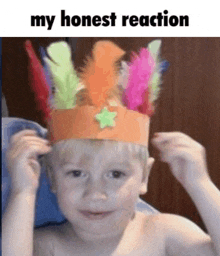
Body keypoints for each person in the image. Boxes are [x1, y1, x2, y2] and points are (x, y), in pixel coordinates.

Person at [2, 40, 220, 256]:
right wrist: (23, 192)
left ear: (144, 177)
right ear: (52, 176)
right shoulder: (46, 244)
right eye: (76, 173)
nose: (96, 194)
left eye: (116, 174)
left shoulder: (164, 232)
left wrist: (200, 184)